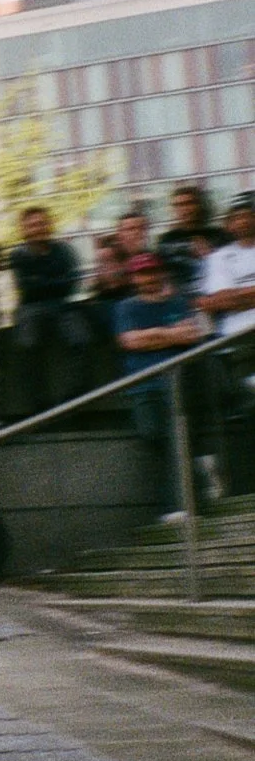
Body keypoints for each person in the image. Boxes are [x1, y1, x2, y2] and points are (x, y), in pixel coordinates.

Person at [114, 254, 206, 517]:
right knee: (154, 434)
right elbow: (130, 342)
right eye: (143, 273)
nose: (149, 278)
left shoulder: (178, 302)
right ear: (134, 278)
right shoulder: (126, 307)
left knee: (175, 440)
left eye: (153, 272)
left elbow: (192, 334)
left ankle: (180, 506)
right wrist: (171, 334)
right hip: (143, 385)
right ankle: (197, 479)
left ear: (161, 273)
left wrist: (153, 336)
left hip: (177, 382)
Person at [3, 205, 86, 415]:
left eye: (41, 223)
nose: (38, 228)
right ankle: (38, 404)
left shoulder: (64, 250)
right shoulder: (17, 255)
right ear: (25, 230)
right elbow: (26, 289)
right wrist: (52, 282)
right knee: (27, 344)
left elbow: (72, 282)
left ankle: (75, 397)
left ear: (49, 225)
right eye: (32, 225)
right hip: (31, 308)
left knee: (80, 337)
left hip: (62, 305)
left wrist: (42, 282)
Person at [196, 192, 255, 343]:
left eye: (248, 215)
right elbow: (223, 300)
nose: (244, 221)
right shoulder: (219, 257)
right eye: (237, 217)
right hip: (239, 336)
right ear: (229, 225)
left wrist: (239, 295)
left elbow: (228, 299)